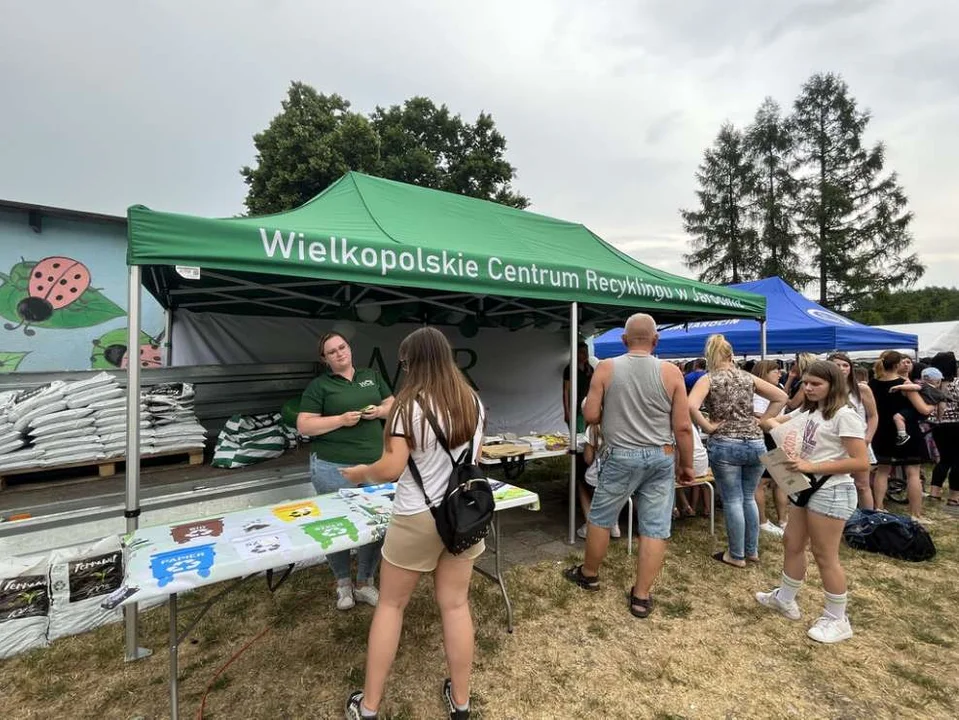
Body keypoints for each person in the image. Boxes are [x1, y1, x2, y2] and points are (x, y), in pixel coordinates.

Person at [341, 327, 485, 720]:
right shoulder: (473, 401)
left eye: (404, 363)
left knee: (390, 604)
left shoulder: (408, 406)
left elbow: (391, 469)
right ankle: (461, 702)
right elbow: (476, 456)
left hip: (416, 516)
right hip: (462, 514)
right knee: (455, 605)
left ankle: (368, 707)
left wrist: (361, 472)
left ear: (412, 363)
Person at [563, 313, 694, 619]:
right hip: (661, 455)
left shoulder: (607, 367)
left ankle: (590, 574)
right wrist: (687, 465)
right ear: (655, 340)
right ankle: (641, 596)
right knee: (655, 526)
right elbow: (684, 427)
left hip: (621, 454)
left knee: (601, 517)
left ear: (623, 340)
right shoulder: (672, 372)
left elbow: (591, 415)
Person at [756, 361, 869, 643]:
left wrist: (810, 467)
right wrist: (770, 422)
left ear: (834, 385)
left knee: (824, 555)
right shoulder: (809, 410)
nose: (808, 388)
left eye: (816, 384)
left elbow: (860, 461)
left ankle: (837, 617)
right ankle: (785, 597)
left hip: (830, 490)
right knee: (792, 543)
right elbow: (775, 422)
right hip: (805, 489)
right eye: (806, 383)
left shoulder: (845, 415)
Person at [297, 332, 394, 611]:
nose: (339, 353)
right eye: (332, 352)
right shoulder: (319, 386)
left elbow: (393, 405)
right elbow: (304, 425)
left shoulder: (371, 376)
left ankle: (364, 581)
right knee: (335, 524)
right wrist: (340, 420)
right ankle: (342, 583)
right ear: (324, 359)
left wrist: (379, 412)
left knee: (375, 524)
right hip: (332, 466)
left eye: (342, 347)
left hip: (374, 465)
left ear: (349, 349)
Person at [688, 336, 788, 567]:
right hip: (754, 441)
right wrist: (763, 420)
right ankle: (751, 550)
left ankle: (736, 554)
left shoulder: (709, 378)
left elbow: (691, 405)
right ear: (731, 354)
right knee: (748, 497)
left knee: (733, 499)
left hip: (725, 442)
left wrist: (707, 427)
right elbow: (781, 396)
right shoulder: (747, 377)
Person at [869, 351, 937, 520]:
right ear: (898, 365)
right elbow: (923, 409)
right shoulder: (904, 385)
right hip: (906, 431)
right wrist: (932, 406)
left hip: (882, 431)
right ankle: (915, 514)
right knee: (913, 472)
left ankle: (879, 507)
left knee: (882, 471)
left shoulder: (872, 384)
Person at [827, 353, 879, 510]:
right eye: (837, 365)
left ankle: (867, 522)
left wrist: (868, 437)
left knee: (862, 485)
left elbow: (873, 416)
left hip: (858, 441)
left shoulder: (861, 389)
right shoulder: (825, 389)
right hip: (833, 442)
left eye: (845, 365)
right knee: (835, 484)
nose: (842, 369)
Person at [751, 359, 788, 535]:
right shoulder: (758, 394)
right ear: (764, 373)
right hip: (766, 439)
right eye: (776, 371)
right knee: (762, 482)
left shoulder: (778, 389)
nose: (780, 374)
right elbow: (759, 420)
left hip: (777, 438)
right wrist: (786, 419)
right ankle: (762, 521)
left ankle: (783, 519)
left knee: (781, 481)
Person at [565, 342, 598, 536]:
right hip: (577, 410)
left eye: (586, 352)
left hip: (589, 410)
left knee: (587, 440)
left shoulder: (590, 369)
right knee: (578, 442)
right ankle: (576, 478)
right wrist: (568, 411)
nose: (584, 355)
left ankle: (584, 471)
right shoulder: (569, 369)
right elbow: (566, 391)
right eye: (581, 352)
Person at [929, 352, 959, 505]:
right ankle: (954, 496)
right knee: (957, 460)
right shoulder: (957, 383)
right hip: (956, 423)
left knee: (944, 459)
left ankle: (934, 492)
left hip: (938, 425)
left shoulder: (932, 384)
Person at [890, 366, 947, 444]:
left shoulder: (924, 386)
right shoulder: (941, 395)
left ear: (923, 378)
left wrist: (899, 386)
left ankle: (902, 435)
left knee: (897, 417)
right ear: (938, 381)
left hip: (915, 410)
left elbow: (914, 387)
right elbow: (942, 407)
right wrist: (939, 418)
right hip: (925, 416)